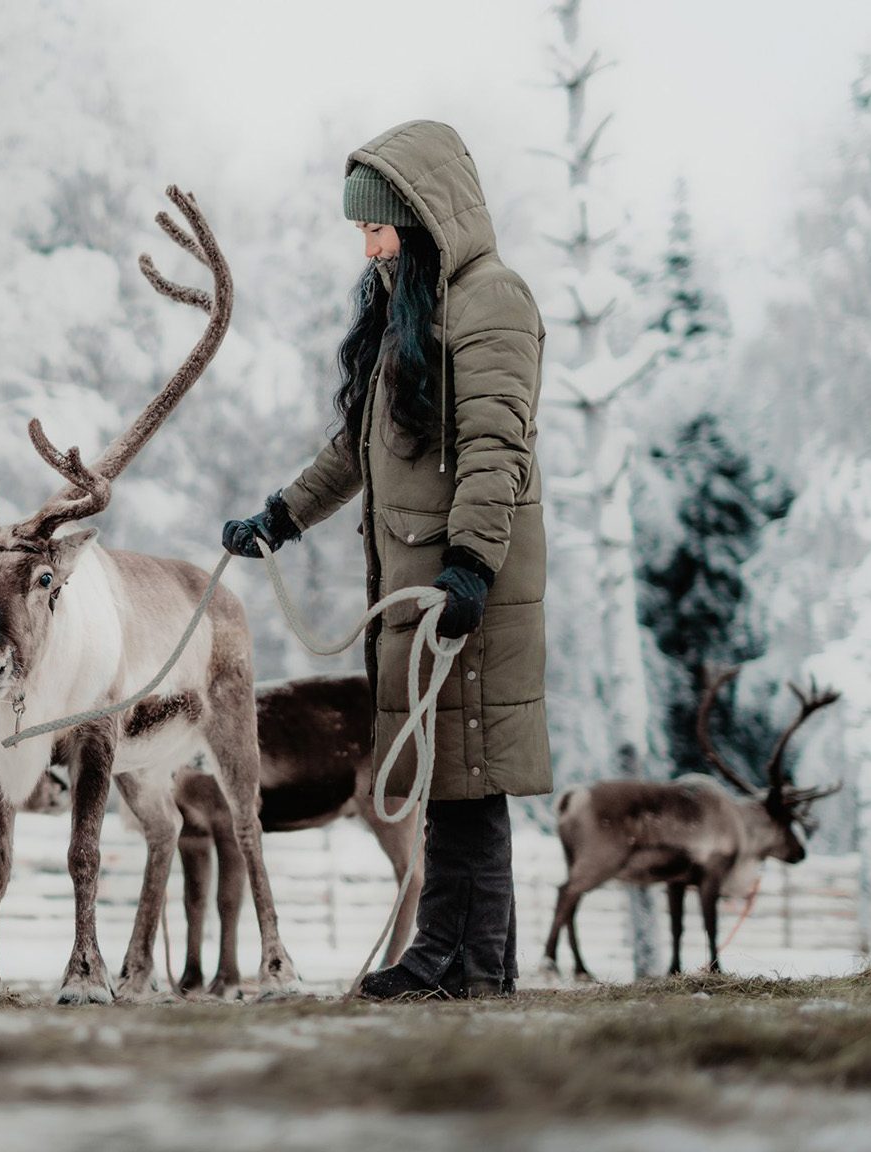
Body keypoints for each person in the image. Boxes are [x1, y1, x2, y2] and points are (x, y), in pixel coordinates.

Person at [222, 120, 549, 999]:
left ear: (425, 216)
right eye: (362, 232)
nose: (367, 248)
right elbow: (357, 448)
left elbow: (494, 446)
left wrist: (473, 565)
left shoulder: (493, 302)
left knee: (468, 769)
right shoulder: (414, 308)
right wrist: (283, 516)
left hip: (463, 582)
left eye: (377, 228)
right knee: (444, 766)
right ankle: (466, 959)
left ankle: (462, 962)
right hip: (418, 582)